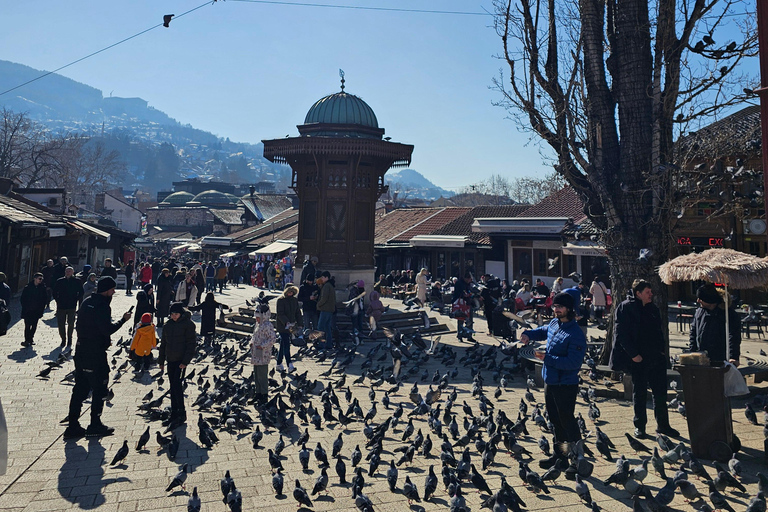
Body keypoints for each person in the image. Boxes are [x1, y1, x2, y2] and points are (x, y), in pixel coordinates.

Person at [520, 292, 587, 477]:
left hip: (565, 384)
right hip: (550, 381)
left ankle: (577, 461)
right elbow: (543, 331)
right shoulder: (554, 323)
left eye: (560, 307)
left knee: (568, 422)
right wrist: (527, 334)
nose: (556, 310)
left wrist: (546, 358)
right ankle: (561, 456)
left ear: (569, 309)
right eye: (555, 306)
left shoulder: (576, 334)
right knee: (555, 422)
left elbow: (573, 363)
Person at [64, 276, 132, 439]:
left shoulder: (87, 301)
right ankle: (95, 424)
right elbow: (107, 329)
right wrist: (123, 320)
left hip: (81, 350)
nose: (114, 292)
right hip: (95, 353)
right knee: (100, 387)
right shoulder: (102, 306)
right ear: (106, 290)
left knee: (80, 388)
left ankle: (73, 426)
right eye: (112, 290)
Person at [610, 279, 678, 438]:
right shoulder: (626, 308)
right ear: (638, 293)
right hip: (638, 359)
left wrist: (662, 352)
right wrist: (633, 355)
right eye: (647, 292)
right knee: (639, 393)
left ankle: (663, 425)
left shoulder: (653, 308)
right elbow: (621, 334)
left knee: (660, 394)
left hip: (656, 357)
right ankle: (640, 426)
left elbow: (659, 331)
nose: (651, 294)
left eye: (651, 292)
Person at [158, 302, 196, 429]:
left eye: (176, 314)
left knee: (177, 387)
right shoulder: (167, 325)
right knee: (172, 387)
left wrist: (185, 361)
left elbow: (191, 344)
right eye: (172, 314)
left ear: (181, 314)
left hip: (180, 361)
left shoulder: (188, 325)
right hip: (170, 359)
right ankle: (174, 413)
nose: (174, 316)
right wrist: (161, 361)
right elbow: (163, 344)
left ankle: (181, 413)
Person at [689, 284, 741, 365]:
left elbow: (734, 336)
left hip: (720, 357)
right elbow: (693, 332)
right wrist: (692, 352)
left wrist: (733, 356)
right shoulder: (699, 311)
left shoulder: (728, 314)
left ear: (709, 300)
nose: (698, 301)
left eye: (701, 299)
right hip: (701, 356)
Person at [250, 300, 276, 404]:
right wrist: (251, 342)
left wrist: (262, 346)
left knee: (262, 375)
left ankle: (264, 395)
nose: (256, 319)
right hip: (256, 351)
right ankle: (258, 394)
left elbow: (272, 339)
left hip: (263, 353)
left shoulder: (267, 325)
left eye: (258, 317)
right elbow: (254, 335)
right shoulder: (258, 324)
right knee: (256, 374)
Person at [53, 266, 84, 349]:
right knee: (61, 323)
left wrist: (76, 299)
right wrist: (58, 300)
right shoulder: (60, 281)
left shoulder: (77, 281)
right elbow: (55, 292)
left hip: (71, 305)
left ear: (73, 272)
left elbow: (81, 292)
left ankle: (70, 338)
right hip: (61, 306)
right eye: (67, 271)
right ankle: (63, 339)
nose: (68, 272)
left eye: (70, 271)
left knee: (71, 323)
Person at [275, 284, 303, 372]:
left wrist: (300, 323)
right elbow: (280, 314)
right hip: (282, 326)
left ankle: (279, 363)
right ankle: (289, 365)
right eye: (289, 291)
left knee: (283, 345)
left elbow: (297, 312)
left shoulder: (294, 300)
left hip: (291, 326)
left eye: (292, 292)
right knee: (286, 345)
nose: (290, 293)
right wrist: (286, 322)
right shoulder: (280, 300)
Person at [20, 273, 47, 347]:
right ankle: (26, 340)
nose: (41, 280)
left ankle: (31, 338)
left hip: (37, 310)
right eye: (39, 279)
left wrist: (42, 308)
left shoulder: (42, 288)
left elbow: (44, 298)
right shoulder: (28, 287)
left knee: (34, 325)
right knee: (27, 325)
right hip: (28, 310)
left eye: (41, 279)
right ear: (35, 278)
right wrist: (25, 307)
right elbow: (23, 298)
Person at [452, 273, 476, 343]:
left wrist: (471, 294)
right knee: (461, 320)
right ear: (466, 278)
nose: (470, 281)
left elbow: (469, 291)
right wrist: (463, 295)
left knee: (470, 320)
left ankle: (469, 336)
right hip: (461, 304)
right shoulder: (459, 283)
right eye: (470, 279)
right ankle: (460, 336)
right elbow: (457, 293)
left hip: (468, 303)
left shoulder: (468, 284)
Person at [316, 271, 335, 350]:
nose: (322, 279)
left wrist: (318, 304)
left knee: (320, 327)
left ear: (327, 277)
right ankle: (329, 344)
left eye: (323, 277)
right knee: (327, 327)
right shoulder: (330, 285)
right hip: (330, 309)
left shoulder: (327, 286)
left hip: (325, 309)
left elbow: (324, 298)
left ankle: (321, 344)